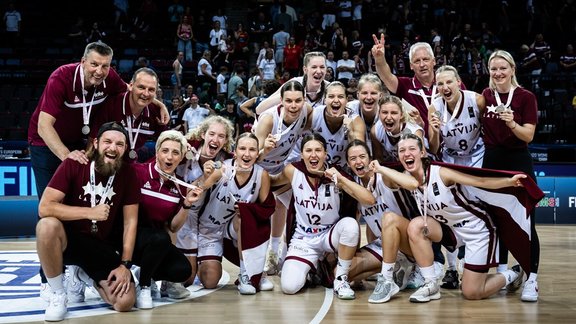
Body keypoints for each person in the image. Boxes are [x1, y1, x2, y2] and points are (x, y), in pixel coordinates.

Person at [395, 133, 538, 303]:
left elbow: (480, 182)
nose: (407, 154)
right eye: (402, 150)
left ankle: (513, 273)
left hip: (477, 230)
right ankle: (430, 284)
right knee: (416, 226)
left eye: (412, 149)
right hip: (450, 229)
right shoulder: (406, 178)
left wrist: (509, 181)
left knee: (471, 292)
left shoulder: (442, 173)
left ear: (423, 153)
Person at [36, 122, 139, 321]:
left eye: (119, 144)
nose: (113, 148)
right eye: (108, 142)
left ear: (125, 149)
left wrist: (125, 265)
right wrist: (89, 211)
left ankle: (85, 275)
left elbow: (130, 222)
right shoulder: (75, 163)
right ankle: (58, 294)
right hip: (69, 241)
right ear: (96, 143)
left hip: (101, 245)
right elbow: (45, 207)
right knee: (46, 226)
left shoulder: (128, 173)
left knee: (124, 302)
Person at [271, 133, 375, 299]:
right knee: (289, 287)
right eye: (308, 150)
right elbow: (271, 182)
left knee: (350, 225)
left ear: (325, 154)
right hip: (303, 238)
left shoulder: (336, 175)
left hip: (329, 236)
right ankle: (315, 268)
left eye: (318, 150)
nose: (313, 155)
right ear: (302, 154)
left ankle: (341, 280)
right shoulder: (293, 171)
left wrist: (341, 180)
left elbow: (369, 200)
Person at [28, 42, 127, 200]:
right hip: (45, 143)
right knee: (52, 201)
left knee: (78, 198)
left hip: (78, 142)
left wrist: (158, 103)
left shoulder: (111, 77)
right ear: (83, 62)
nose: (99, 71)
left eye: (105, 66)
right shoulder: (61, 77)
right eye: (94, 64)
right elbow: (43, 126)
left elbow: (130, 93)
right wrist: (67, 156)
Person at [481, 50, 541, 302]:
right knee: (498, 220)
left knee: (526, 222)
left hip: (518, 161)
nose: (498, 73)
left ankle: (532, 279)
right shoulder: (485, 95)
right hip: (492, 161)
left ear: (513, 69)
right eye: (493, 69)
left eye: (503, 68)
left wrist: (512, 123)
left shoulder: (526, 97)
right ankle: (503, 273)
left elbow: (528, 136)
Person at [186, 133, 275, 294]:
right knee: (210, 281)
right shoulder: (222, 168)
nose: (247, 154)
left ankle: (247, 274)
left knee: (244, 216)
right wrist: (205, 177)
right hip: (209, 230)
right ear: (235, 151)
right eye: (242, 148)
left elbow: (267, 209)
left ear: (257, 153)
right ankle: (202, 262)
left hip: (234, 229)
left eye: (252, 150)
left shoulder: (261, 174)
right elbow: (197, 189)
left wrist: (247, 210)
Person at [131, 130, 203, 308]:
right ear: (156, 153)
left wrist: (186, 205)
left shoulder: (180, 186)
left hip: (153, 243)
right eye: (165, 151)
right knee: (160, 238)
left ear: (181, 158)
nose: (169, 157)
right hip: (126, 235)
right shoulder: (138, 172)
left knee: (183, 270)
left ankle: (144, 274)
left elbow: (173, 227)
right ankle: (145, 286)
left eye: (175, 152)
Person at [344, 140, 418, 303]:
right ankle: (396, 268)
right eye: (353, 158)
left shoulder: (384, 177)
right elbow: (357, 227)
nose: (358, 162)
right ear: (348, 164)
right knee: (342, 272)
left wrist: (382, 168)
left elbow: (413, 184)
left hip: (411, 243)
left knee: (389, 218)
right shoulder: (355, 187)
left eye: (362, 156)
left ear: (370, 159)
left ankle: (388, 278)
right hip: (385, 246)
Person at [253, 80, 313, 275]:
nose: (293, 106)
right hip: (259, 170)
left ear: (304, 100)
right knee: (257, 215)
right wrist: (265, 150)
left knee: (296, 207)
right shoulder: (269, 120)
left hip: (279, 168)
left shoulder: (306, 111)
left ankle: (284, 253)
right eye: (289, 101)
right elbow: (251, 157)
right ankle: (257, 260)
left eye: (298, 100)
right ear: (281, 101)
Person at [175, 115, 235, 285]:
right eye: (212, 134)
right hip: (187, 219)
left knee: (210, 281)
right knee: (185, 279)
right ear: (203, 135)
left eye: (221, 136)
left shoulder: (228, 161)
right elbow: (186, 193)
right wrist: (206, 178)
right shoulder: (185, 152)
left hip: (210, 225)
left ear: (225, 141)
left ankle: (204, 260)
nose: (215, 139)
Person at [92, 67, 167, 163]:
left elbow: (166, 138)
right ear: (131, 85)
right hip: (105, 163)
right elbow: (93, 139)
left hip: (130, 166)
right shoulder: (111, 105)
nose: (146, 93)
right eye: (141, 87)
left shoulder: (156, 111)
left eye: (151, 90)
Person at [371, 34, 438, 137]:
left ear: (433, 61)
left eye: (425, 59)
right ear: (411, 66)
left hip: (452, 147)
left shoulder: (447, 83)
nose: (422, 64)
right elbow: (386, 76)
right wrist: (379, 59)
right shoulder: (405, 85)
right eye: (417, 61)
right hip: (418, 146)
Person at [428, 65, 486, 167]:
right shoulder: (434, 108)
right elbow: (433, 149)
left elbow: (487, 131)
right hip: (450, 157)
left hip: (477, 154)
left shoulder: (477, 100)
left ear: (459, 82)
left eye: (449, 82)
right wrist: (435, 133)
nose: (445, 88)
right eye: (440, 84)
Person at [256, 51, 330, 114]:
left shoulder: (330, 88)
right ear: (305, 70)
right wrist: (287, 96)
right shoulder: (294, 83)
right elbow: (259, 109)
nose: (319, 71)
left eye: (322, 67)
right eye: (314, 67)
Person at [370, 95, 425, 163]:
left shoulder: (414, 132)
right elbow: (379, 159)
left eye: (394, 113)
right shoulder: (375, 131)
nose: (389, 117)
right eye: (384, 112)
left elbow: (423, 161)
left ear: (401, 115)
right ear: (379, 114)